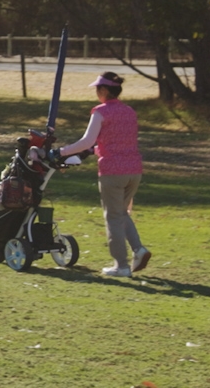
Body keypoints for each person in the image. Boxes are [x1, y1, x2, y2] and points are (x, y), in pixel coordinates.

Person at [59, 71, 149, 277]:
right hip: (134, 170)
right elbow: (113, 142)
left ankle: (121, 265)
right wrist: (93, 151)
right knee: (121, 213)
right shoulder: (129, 111)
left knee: (113, 217)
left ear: (105, 90)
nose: (97, 93)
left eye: (98, 89)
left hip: (112, 173)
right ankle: (138, 250)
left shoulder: (100, 112)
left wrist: (61, 152)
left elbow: (87, 141)